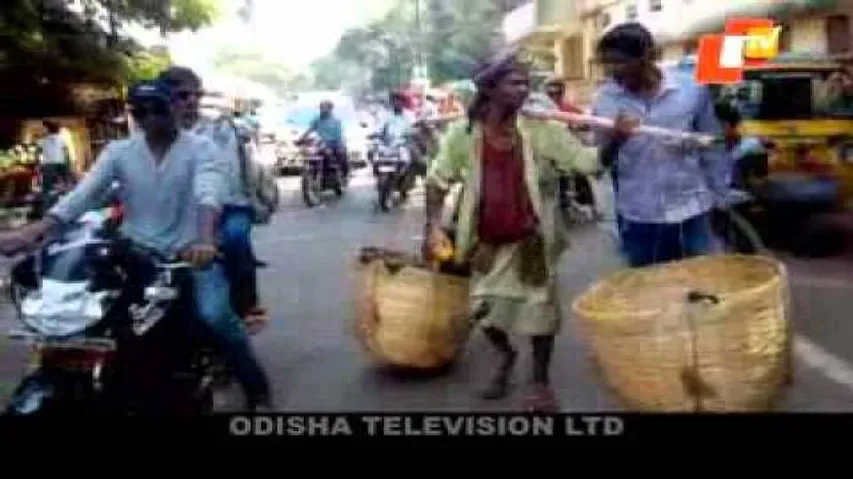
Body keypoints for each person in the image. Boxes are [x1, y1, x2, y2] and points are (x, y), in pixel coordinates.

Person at [0, 80, 274, 411]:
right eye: (140, 111)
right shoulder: (119, 152)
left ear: (173, 109)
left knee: (214, 315)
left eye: (157, 108)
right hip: (134, 254)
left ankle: (255, 387)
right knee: (100, 320)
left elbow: (209, 194)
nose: (150, 118)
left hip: (188, 256)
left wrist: (203, 241)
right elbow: (83, 196)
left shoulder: (202, 149)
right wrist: (33, 231)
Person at [422, 49, 600, 412]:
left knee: (540, 313)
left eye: (525, 83)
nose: (524, 89)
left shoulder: (541, 128)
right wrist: (432, 227)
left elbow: (588, 163)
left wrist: (618, 141)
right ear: (489, 89)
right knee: (482, 311)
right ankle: (505, 357)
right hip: (487, 242)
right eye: (514, 82)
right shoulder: (463, 134)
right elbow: (436, 182)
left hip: (532, 241)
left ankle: (539, 382)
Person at [591, 22, 728, 268]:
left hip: (693, 210)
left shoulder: (691, 90)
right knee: (648, 295)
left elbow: (712, 147)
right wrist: (617, 139)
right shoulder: (605, 101)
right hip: (640, 217)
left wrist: (720, 198)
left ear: (649, 56)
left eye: (620, 62)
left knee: (703, 286)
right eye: (608, 64)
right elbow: (599, 160)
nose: (614, 71)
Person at [158, 67, 270, 332]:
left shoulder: (218, 129)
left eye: (195, 95)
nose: (190, 102)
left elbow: (222, 175)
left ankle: (247, 305)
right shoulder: (155, 131)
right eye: (182, 96)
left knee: (235, 237)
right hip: (176, 211)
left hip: (228, 205)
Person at [544, 75, 597, 214]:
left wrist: (578, 126)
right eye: (551, 92)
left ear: (562, 91)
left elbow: (587, 123)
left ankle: (589, 204)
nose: (554, 95)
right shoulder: (542, 109)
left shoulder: (569, 108)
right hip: (549, 150)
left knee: (580, 173)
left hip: (569, 148)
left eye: (557, 91)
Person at [298, 100, 349, 179]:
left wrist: (339, 143)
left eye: (325, 108)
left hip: (335, 144)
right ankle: (314, 174)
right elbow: (309, 130)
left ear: (330, 109)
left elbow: (339, 135)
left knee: (341, 154)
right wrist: (301, 139)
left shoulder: (336, 120)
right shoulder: (317, 120)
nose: (322, 110)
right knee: (311, 156)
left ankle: (343, 175)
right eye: (321, 108)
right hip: (321, 145)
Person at [38, 121, 73, 196]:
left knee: (47, 188)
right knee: (66, 184)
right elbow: (66, 153)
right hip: (60, 163)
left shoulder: (42, 140)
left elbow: (38, 153)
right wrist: (69, 165)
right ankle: (65, 195)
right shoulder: (62, 139)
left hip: (48, 165)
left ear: (48, 130)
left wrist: (38, 165)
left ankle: (48, 198)